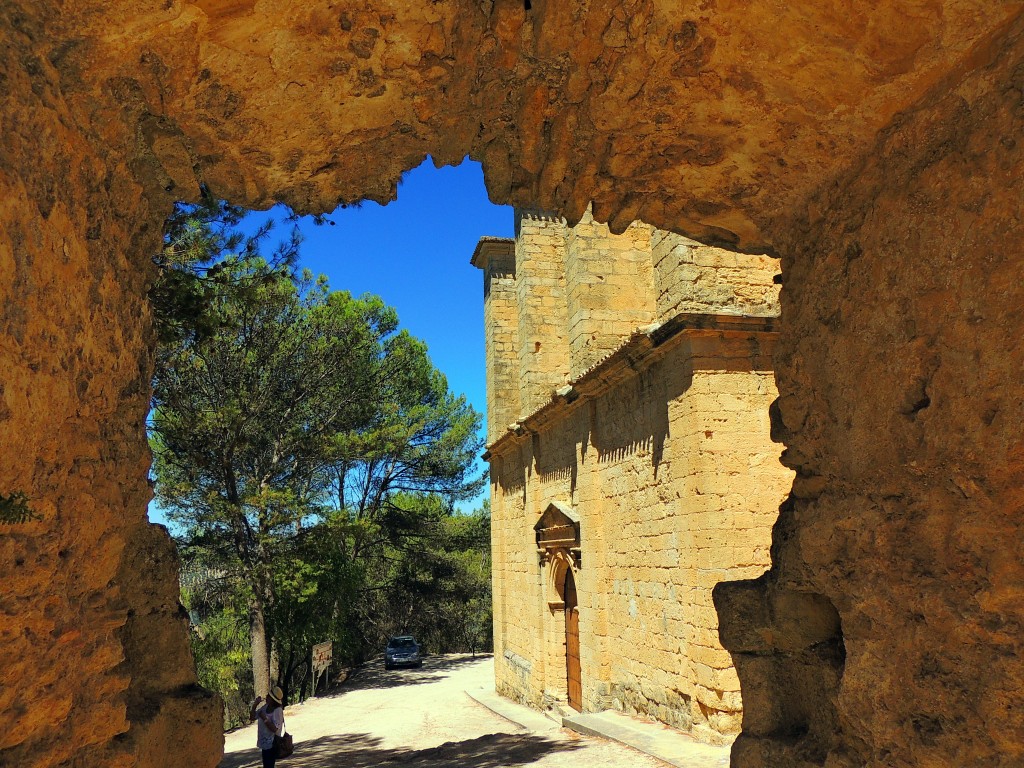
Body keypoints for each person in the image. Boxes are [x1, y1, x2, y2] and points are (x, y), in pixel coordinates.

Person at [250, 686, 286, 768]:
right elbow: (252, 717)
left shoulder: (278, 710)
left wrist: (264, 718)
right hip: (265, 743)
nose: (266, 697)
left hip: (272, 744)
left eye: (269, 696)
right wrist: (255, 705)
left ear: (273, 700)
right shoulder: (265, 707)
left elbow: (275, 729)